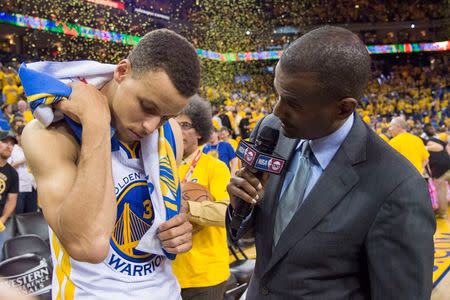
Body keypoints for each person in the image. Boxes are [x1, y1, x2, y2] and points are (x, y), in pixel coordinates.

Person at [226, 26, 435, 299]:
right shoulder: (273, 131)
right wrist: (239, 207)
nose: (277, 110)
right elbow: (256, 238)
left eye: (294, 103)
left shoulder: (397, 187)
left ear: (343, 108)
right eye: (278, 95)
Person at [21, 29, 199, 299]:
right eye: (147, 107)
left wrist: (180, 228)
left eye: (165, 116)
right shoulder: (51, 135)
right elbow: (88, 245)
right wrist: (96, 124)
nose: (151, 126)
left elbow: (162, 203)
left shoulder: (170, 132)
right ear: (122, 71)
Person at [172, 96, 231, 300]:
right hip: (166, 274)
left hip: (205, 276)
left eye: (184, 125)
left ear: (199, 131)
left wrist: (187, 207)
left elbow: (227, 213)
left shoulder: (215, 167)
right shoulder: (159, 167)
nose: (177, 130)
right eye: (173, 124)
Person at [7, 126, 37, 214]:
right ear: (17, 136)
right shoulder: (12, 150)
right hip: (19, 187)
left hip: (32, 186)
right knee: (19, 215)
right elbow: (7, 168)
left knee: (31, 214)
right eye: (22, 135)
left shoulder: (31, 149)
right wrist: (22, 161)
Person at [423, 123, 450, 219]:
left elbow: (425, 163)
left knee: (441, 192)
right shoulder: (440, 140)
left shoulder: (428, 142)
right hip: (448, 165)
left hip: (439, 171)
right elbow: (447, 149)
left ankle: (442, 213)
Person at [0, 131, 19, 259]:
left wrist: (2, 219)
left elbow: (12, 200)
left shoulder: (12, 173)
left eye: (12, 144)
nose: (9, 146)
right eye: (5, 142)